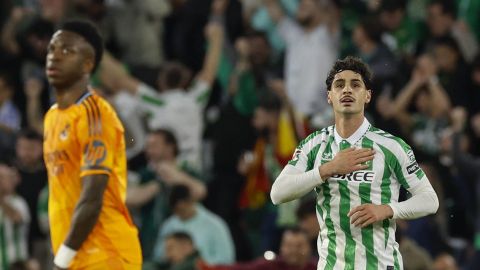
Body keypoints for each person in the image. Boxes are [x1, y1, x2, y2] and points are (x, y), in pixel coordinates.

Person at [270, 56, 439, 269]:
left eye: (355, 85)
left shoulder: (391, 146)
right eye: (339, 85)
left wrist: (387, 209)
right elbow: (277, 193)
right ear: (330, 96)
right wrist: (328, 168)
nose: (347, 90)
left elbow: (429, 200)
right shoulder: (313, 145)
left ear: (367, 96)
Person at [42, 20, 142, 269]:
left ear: (88, 65)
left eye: (67, 51)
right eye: (52, 49)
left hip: (106, 252)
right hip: (78, 254)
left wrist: (62, 260)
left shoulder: (99, 112)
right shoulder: (53, 116)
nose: (54, 56)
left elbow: (131, 142)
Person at [153, 184, 235, 265]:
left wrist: (198, 264)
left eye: (182, 209)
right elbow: (158, 256)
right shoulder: (168, 225)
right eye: (176, 210)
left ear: (190, 201)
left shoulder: (215, 225)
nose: (179, 214)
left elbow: (226, 258)